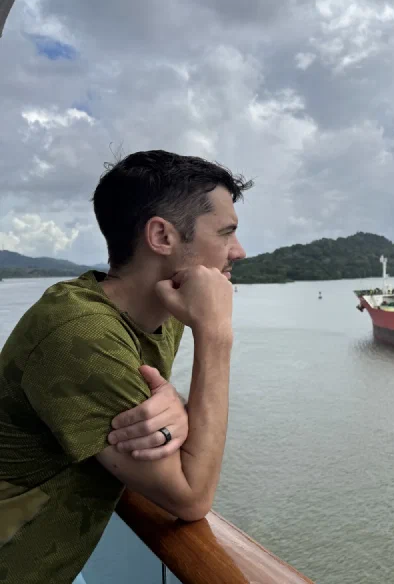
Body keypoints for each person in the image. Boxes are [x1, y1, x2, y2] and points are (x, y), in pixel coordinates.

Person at [0, 149, 251, 584]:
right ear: (162, 236)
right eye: (226, 233)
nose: (239, 251)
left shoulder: (159, 311)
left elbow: (143, 408)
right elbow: (190, 497)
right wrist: (215, 334)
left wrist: (174, 404)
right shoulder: (81, 333)